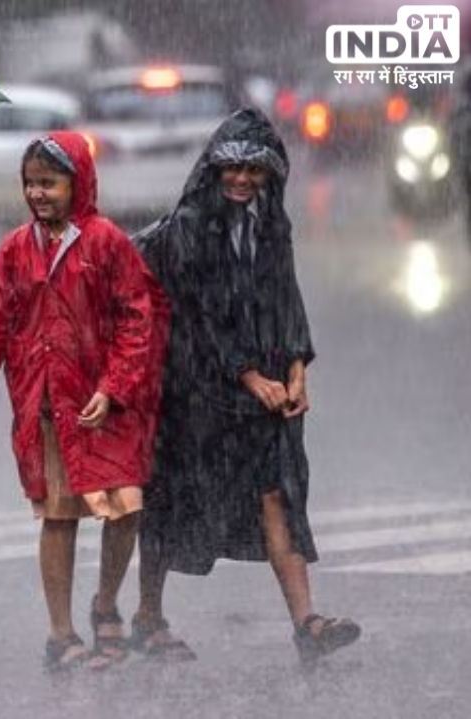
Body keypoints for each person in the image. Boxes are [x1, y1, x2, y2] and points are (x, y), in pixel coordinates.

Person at [132, 108, 361, 665]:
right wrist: (247, 374)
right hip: (196, 389)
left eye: (253, 170)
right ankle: (147, 616)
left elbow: (285, 297)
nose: (240, 179)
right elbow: (199, 313)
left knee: (277, 493)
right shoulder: (190, 227)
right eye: (231, 168)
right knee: (172, 497)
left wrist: (298, 366)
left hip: (264, 387)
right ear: (214, 169)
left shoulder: (270, 222)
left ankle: (307, 623)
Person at [0, 132, 166, 672]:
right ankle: (60, 635)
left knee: (126, 508)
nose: (38, 194)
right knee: (59, 517)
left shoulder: (107, 243)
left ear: (78, 183)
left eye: (50, 182)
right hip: (49, 409)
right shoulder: (16, 250)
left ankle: (105, 602)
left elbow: (138, 321)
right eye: (30, 183)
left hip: (107, 408)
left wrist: (113, 387)